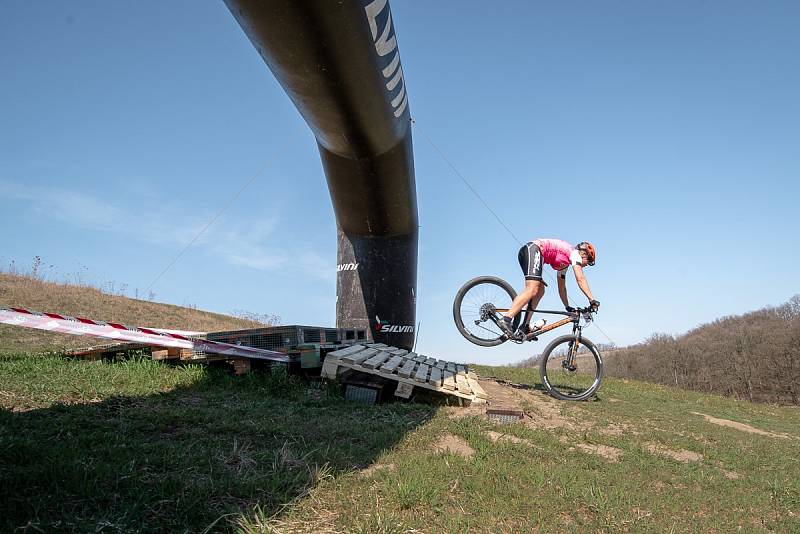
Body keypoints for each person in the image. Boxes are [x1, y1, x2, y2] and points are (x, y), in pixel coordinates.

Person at [497, 239, 599, 339]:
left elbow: (562, 287)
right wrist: (591, 299)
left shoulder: (564, 264)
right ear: (584, 254)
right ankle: (506, 319)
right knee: (532, 288)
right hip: (533, 249)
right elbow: (580, 279)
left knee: (540, 290)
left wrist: (567, 306)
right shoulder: (575, 254)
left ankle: (525, 326)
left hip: (533, 253)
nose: (586, 265)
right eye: (588, 261)